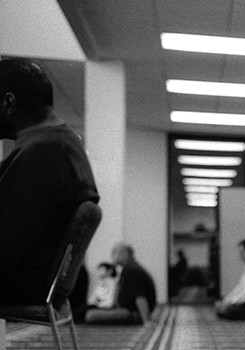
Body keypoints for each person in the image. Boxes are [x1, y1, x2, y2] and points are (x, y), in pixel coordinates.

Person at [0, 57, 99, 306]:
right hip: (31, 280)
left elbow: (5, 249)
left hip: (20, 283)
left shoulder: (42, 151)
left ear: (9, 103)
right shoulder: (60, 143)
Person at [84, 243, 157, 325]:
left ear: (125, 254)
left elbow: (140, 297)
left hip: (132, 313)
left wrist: (146, 321)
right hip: (126, 309)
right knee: (88, 310)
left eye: (115, 252)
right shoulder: (129, 269)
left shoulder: (133, 271)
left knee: (90, 315)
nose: (112, 256)